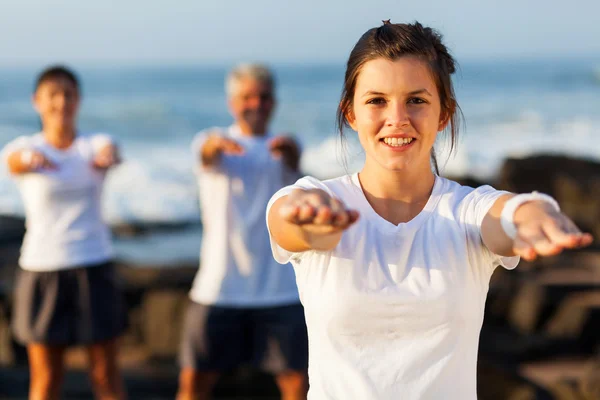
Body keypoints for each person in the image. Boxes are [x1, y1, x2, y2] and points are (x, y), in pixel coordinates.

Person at [266, 21, 593, 399]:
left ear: (443, 114)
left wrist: (534, 211)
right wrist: (310, 221)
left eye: (416, 100)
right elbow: (285, 218)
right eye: (377, 100)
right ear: (351, 113)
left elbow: (505, 213)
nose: (397, 118)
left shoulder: (466, 211)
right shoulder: (316, 200)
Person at [177, 63, 308, 400]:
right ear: (232, 102)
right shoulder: (211, 143)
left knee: (298, 383)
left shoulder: (285, 147)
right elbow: (204, 153)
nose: (257, 104)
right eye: (247, 97)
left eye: (264, 97)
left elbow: (297, 163)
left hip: (279, 290)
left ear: (273, 101)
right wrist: (214, 147)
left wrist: (292, 157)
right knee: (193, 383)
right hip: (219, 289)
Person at [2, 66, 127, 400]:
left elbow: (111, 150)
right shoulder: (25, 146)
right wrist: (30, 158)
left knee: (105, 374)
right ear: (37, 101)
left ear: (78, 100)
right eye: (52, 95)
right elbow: (13, 161)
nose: (61, 102)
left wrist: (108, 157)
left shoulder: (93, 144)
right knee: (46, 378)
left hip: (94, 264)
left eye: (68, 94)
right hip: (42, 267)